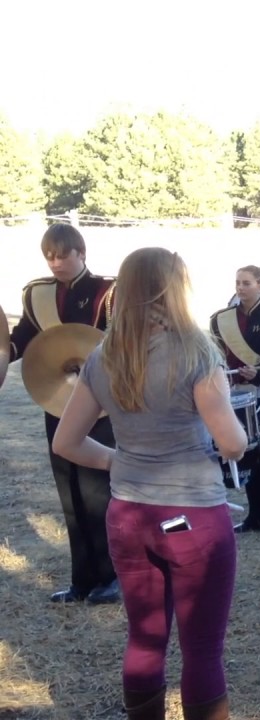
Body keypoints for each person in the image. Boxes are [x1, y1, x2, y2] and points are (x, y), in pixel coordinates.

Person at [52, 247, 248, 720]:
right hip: (194, 517)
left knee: (144, 638)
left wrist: (120, 460)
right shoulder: (197, 352)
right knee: (201, 649)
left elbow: (67, 442)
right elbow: (233, 442)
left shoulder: (105, 354)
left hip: (128, 514)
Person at [8, 223, 120, 604]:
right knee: (69, 493)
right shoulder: (37, 294)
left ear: (81, 253)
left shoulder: (109, 291)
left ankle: (112, 575)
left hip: (100, 404)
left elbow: (122, 343)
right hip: (56, 398)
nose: (56, 262)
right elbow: (25, 340)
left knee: (97, 491)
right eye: (50, 256)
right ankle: (82, 579)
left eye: (63, 255)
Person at [210, 266, 260, 534]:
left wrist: (258, 370)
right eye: (238, 282)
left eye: (246, 283)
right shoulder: (222, 319)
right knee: (246, 450)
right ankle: (254, 515)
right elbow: (219, 353)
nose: (240, 287)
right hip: (237, 388)